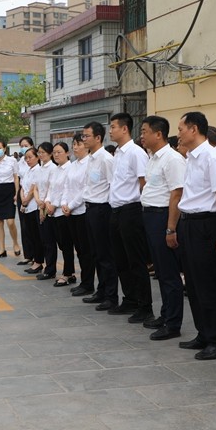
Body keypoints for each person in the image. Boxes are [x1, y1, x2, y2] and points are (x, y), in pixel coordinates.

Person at [175, 112, 216, 360]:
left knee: (208, 284)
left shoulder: (213, 157)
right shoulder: (191, 158)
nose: (178, 134)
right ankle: (203, 333)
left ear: (194, 128)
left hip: (206, 224)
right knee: (194, 284)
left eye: (181, 129)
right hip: (189, 222)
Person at [140, 116, 186, 340]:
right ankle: (165, 314)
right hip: (150, 215)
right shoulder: (153, 158)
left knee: (169, 274)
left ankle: (173, 323)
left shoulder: (172, 159)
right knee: (159, 270)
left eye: (145, 131)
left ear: (158, 134)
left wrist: (170, 228)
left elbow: (177, 193)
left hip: (162, 218)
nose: (142, 135)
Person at [106, 113, 152, 322]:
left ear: (125, 129)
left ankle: (145, 306)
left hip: (131, 210)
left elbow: (143, 183)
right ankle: (130, 299)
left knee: (136, 261)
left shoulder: (136, 153)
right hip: (116, 211)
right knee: (120, 260)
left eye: (113, 126)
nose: (110, 130)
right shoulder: (118, 153)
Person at [81, 122, 119, 310]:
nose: (84, 139)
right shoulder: (90, 159)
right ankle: (101, 290)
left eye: (87, 136)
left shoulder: (106, 159)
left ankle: (111, 296)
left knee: (106, 255)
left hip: (102, 210)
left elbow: (113, 186)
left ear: (98, 138)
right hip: (90, 209)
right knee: (96, 253)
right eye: (83, 136)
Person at [62, 132, 95, 297]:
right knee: (79, 249)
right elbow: (66, 186)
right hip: (71, 212)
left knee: (86, 249)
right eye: (74, 144)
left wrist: (72, 205)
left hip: (82, 211)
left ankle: (88, 283)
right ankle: (84, 282)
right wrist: (64, 204)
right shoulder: (73, 165)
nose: (75, 147)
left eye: (79, 144)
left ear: (86, 146)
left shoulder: (90, 163)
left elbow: (85, 189)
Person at [46, 142, 76, 286]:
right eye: (54, 152)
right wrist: (47, 203)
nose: (56, 155)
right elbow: (50, 189)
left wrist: (54, 204)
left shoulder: (70, 169)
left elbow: (66, 190)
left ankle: (68, 273)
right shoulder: (55, 170)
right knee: (61, 244)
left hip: (63, 212)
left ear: (67, 153)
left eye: (59, 152)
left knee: (66, 245)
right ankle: (67, 272)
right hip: (52, 212)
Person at [34, 142, 58, 280]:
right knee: (43, 239)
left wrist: (43, 206)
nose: (40, 155)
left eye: (43, 152)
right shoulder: (39, 168)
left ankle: (51, 269)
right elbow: (36, 187)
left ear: (50, 154)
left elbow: (51, 187)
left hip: (49, 207)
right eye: (39, 152)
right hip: (40, 205)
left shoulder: (53, 168)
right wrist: (38, 201)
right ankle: (47, 266)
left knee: (49, 240)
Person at [19, 147, 45, 274]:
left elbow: (33, 188)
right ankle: (35, 259)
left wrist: (26, 199)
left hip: (34, 205)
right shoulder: (28, 171)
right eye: (26, 158)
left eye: (30, 157)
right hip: (27, 207)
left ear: (37, 157)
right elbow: (23, 187)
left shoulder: (38, 170)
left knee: (37, 235)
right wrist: (22, 199)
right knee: (30, 234)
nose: (28, 160)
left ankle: (39, 261)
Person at [15, 136, 36, 266]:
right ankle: (28, 255)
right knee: (24, 225)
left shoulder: (35, 162)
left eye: (26, 145)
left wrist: (28, 197)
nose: (23, 147)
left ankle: (36, 256)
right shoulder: (20, 162)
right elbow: (19, 179)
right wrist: (20, 195)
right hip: (22, 194)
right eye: (21, 145)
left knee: (33, 227)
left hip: (33, 196)